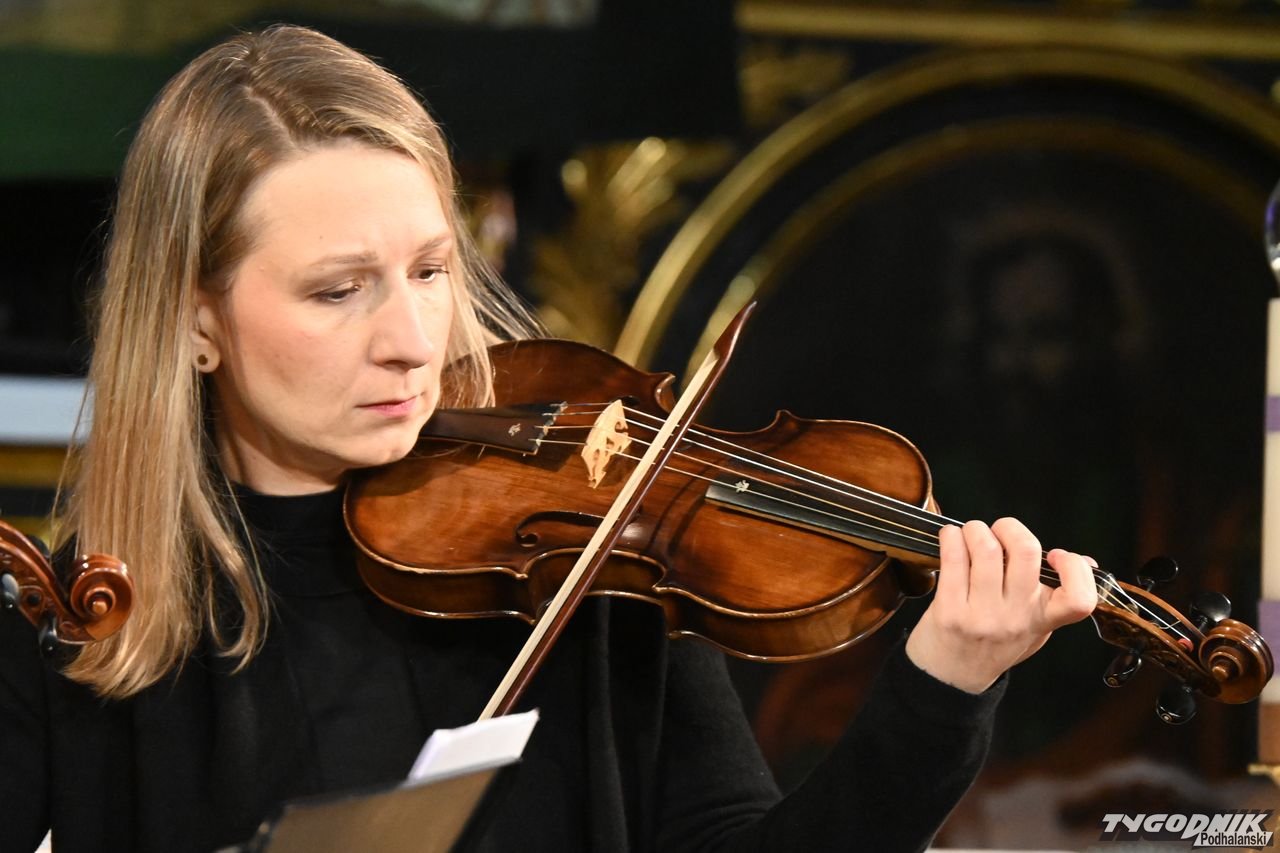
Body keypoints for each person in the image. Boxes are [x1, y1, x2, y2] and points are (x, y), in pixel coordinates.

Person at [0, 25, 1097, 853]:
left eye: (431, 270)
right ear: (194, 321)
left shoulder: (584, 549)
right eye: (339, 290)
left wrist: (941, 686)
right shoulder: (82, 624)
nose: (410, 340)